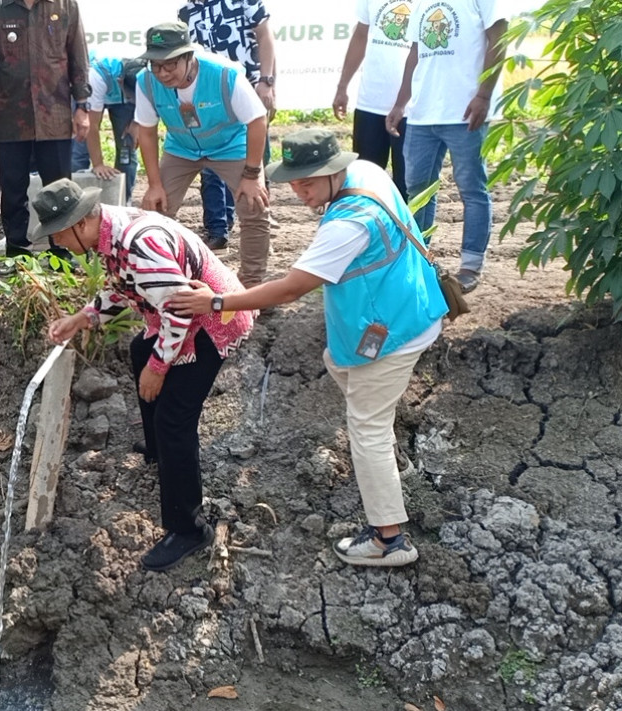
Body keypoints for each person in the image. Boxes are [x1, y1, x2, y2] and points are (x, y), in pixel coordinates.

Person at [167, 128, 448, 567]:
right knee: (339, 367)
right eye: (294, 182)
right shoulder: (366, 171)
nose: (300, 192)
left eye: (309, 182)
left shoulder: (349, 224)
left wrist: (216, 301)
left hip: (393, 328)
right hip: (405, 303)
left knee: (367, 426)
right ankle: (391, 469)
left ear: (335, 171)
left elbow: (289, 289)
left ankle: (389, 539)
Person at [41, 179, 255, 572]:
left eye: (58, 237)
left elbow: (177, 312)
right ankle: (159, 450)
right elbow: (126, 288)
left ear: (80, 224)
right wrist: (82, 318)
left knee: (175, 418)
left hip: (210, 322)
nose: (59, 246)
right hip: (183, 313)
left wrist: (158, 370)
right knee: (141, 349)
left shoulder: (141, 244)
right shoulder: (112, 233)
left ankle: (190, 528)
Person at [133, 22, 274, 288]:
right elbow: (147, 132)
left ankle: (252, 286)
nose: (162, 73)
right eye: (156, 65)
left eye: (170, 64)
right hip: (182, 148)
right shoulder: (146, 82)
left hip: (231, 146)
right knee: (153, 211)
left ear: (189, 56)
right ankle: (159, 279)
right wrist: (154, 185)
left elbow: (257, 121)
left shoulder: (224, 75)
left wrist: (252, 174)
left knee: (254, 206)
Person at [386, 0, 509, 294]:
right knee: (417, 189)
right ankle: (417, 258)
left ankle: (470, 265)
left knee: (471, 187)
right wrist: (401, 102)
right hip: (422, 113)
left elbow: (500, 37)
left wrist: (483, 95)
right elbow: (415, 53)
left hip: (465, 110)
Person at [0, 0, 91, 260]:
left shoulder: (66, 5)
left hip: (55, 114)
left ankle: (63, 251)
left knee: (60, 188)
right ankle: (17, 253)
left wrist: (82, 106)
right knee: (13, 189)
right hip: (12, 115)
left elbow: (78, 57)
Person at [178, 0, 277, 251]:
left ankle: (258, 220)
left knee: (254, 159)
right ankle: (217, 228)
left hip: (247, 86)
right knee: (208, 160)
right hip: (207, 95)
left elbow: (265, 36)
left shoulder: (244, 2)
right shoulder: (186, 12)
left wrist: (267, 81)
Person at [333, 0, 415, 198]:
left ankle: (407, 230)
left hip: (413, 108)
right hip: (370, 102)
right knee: (364, 182)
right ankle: (369, 229)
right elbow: (361, 34)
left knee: (408, 187)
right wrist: (342, 86)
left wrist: (402, 103)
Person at [72, 51, 144, 204]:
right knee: (79, 148)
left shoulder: (146, 76)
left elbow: (151, 105)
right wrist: (98, 164)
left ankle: (123, 203)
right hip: (96, 86)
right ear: (120, 82)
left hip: (121, 98)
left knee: (127, 149)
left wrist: (136, 122)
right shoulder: (95, 76)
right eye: (130, 95)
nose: (132, 98)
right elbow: (91, 126)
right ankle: (76, 203)